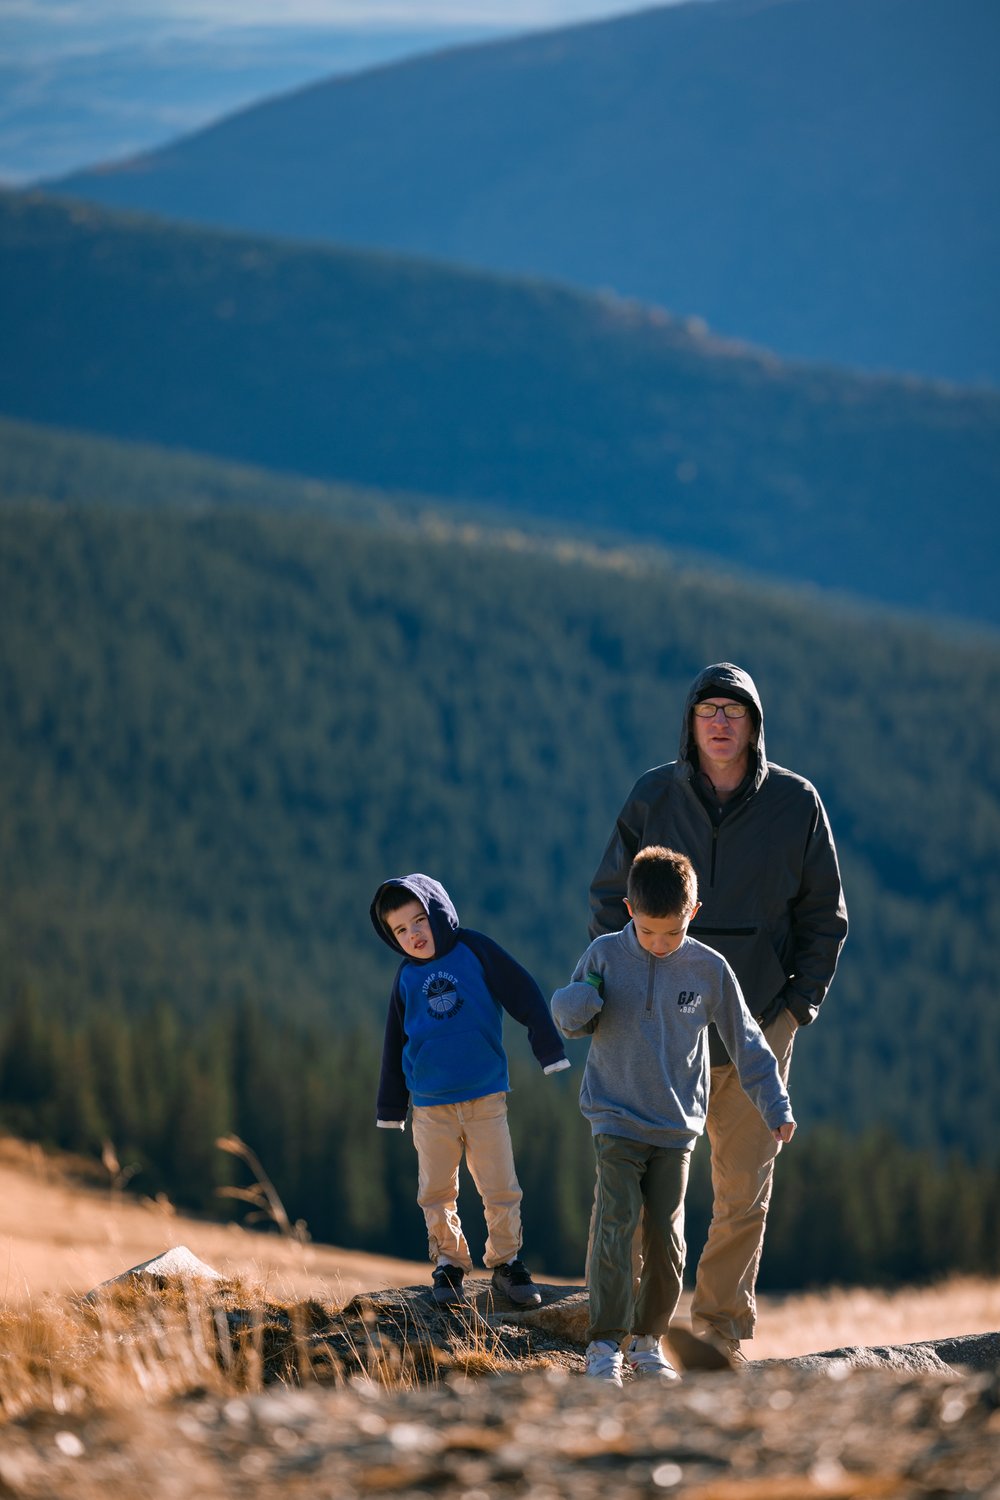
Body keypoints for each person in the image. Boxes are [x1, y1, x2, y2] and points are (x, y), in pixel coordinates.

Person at [589, 662, 847, 1362]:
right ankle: (638, 1336)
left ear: (755, 724)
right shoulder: (654, 795)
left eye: (735, 709)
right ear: (691, 722)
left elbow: (826, 919)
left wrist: (795, 1010)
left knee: (741, 1194)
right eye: (709, 708)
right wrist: (622, 984)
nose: (722, 720)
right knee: (648, 1191)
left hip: (758, 1021)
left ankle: (717, 1336)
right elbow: (610, 897)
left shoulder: (797, 804)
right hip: (657, 1033)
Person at [553, 845, 795, 1387]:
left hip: (676, 1128)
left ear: (694, 913)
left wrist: (775, 1104)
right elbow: (566, 1016)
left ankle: (647, 1341)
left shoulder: (709, 969)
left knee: (666, 1236)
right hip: (615, 1119)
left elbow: (748, 1042)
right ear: (629, 910)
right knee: (616, 1226)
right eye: (647, 931)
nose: (660, 945)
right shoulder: (604, 955)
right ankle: (603, 1345)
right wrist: (580, 1001)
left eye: (672, 932)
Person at [371, 872, 569, 1307]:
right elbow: (393, 1043)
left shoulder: (475, 950)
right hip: (430, 1106)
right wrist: (392, 1107)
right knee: (437, 1191)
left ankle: (507, 1264)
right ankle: (448, 1265)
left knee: (500, 1185)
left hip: (485, 1097)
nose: (413, 935)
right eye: (400, 930)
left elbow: (523, 993)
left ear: (438, 912)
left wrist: (548, 1049)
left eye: (419, 920)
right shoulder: (405, 979)